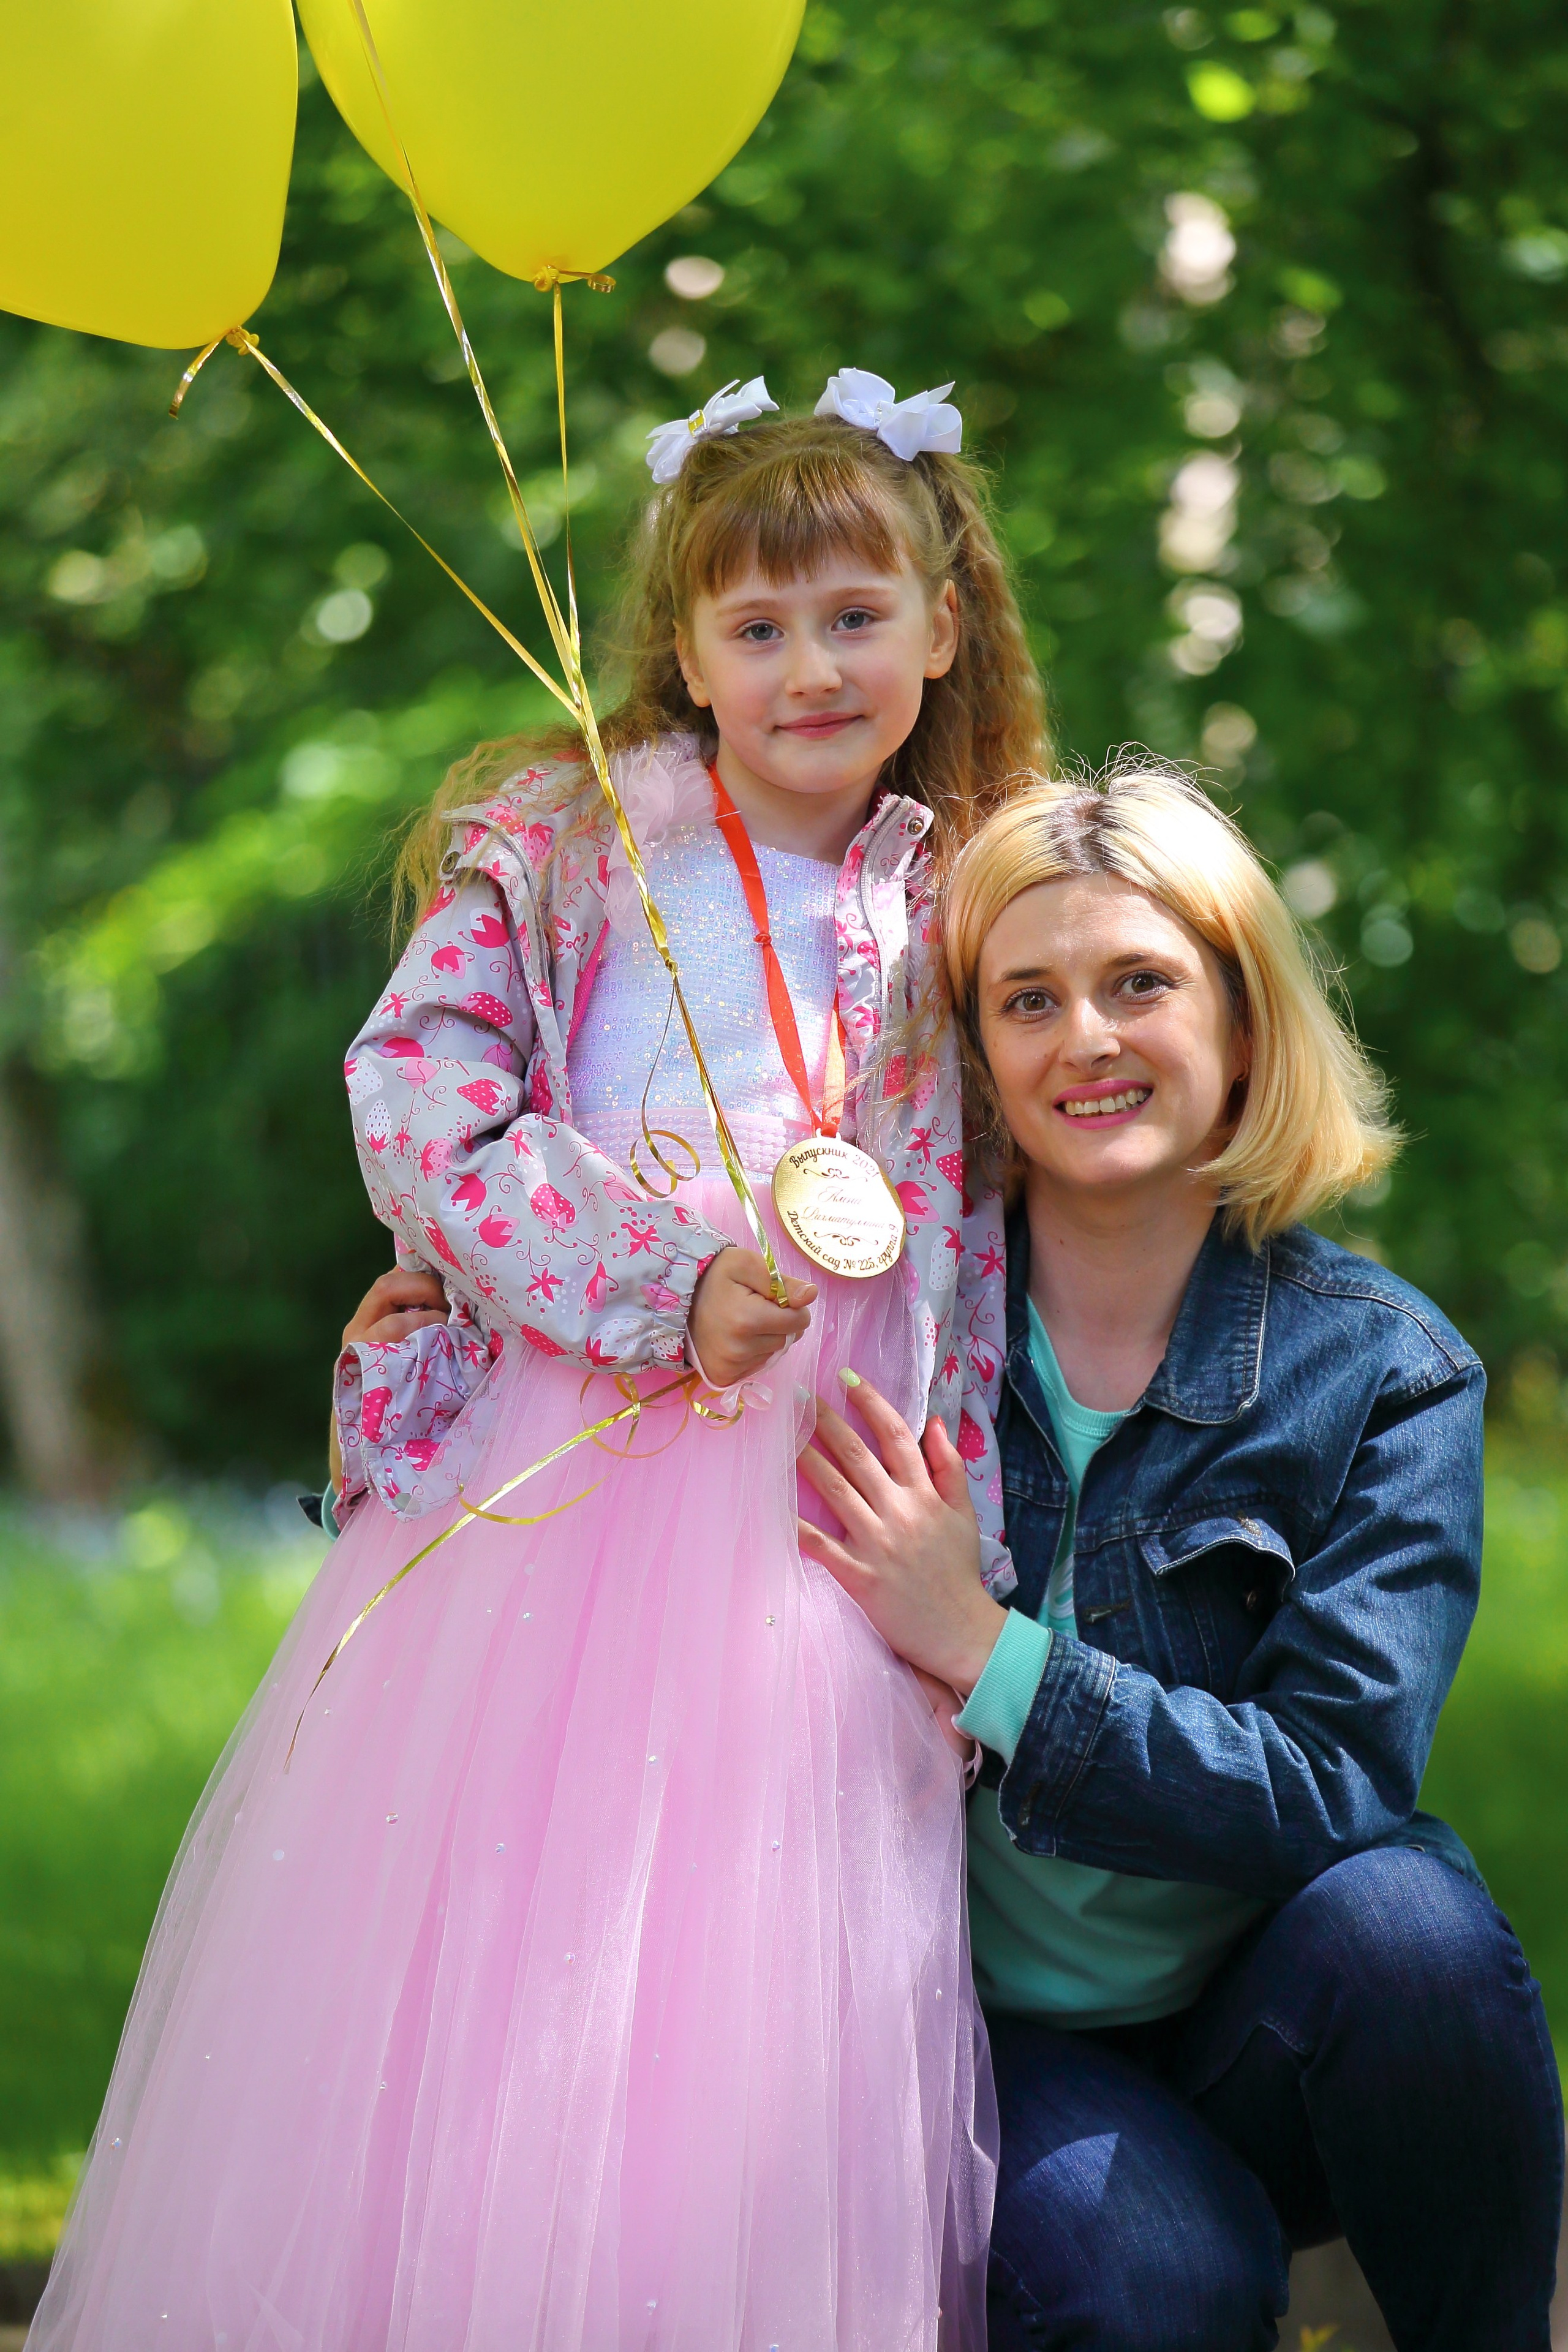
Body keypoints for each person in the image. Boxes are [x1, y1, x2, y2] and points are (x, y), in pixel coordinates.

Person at [28, 372, 1046, 2351]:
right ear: (684, 648)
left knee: (775, 1985)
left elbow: (977, 1258)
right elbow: (418, 1101)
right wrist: (652, 1279)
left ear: (943, 623)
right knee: (515, 1967)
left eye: (857, 615)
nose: (810, 665)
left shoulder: (965, 892)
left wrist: (971, 1559)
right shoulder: (580, 854)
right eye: (756, 625)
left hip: (830, 1517)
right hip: (565, 1498)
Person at [796, 767, 1565, 2351]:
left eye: (1140, 981)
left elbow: (1333, 1784)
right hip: (985, 2035)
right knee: (1170, 2280)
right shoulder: (887, 1335)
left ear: (1241, 1017)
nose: (1086, 1037)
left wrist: (989, 1651)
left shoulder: (1383, 1374)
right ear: (978, 1056)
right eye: (1028, 999)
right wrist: (425, 1390)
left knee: (1410, 1925)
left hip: (1260, 2020)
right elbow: (624, 1498)